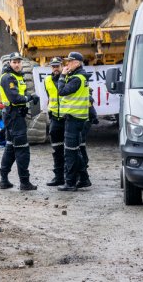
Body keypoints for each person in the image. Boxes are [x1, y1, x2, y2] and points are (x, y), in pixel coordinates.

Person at [0, 53, 37, 190]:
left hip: (13, 116)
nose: (17, 64)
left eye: (19, 62)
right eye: (14, 62)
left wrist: (29, 97)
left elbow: (19, 94)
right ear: (9, 63)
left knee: (11, 148)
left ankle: (4, 179)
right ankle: (24, 182)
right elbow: (15, 98)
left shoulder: (17, 76)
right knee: (22, 149)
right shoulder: (8, 77)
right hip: (14, 116)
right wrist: (29, 98)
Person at [55, 52, 92, 192]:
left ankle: (70, 183)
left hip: (74, 118)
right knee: (74, 151)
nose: (67, 64)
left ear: (77, 63)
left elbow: (62, 91)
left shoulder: (77, 78)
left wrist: (62, 76)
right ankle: (84, 179)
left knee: (70, 152)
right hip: (77, 118)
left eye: (70, 61)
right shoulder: (79, 76)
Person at [42, 56, 67, 186]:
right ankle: (58, 177)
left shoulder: (68, 79)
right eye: (53, 66)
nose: (55, 68)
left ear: (62, 66)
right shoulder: (47, 80)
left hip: (67, 118)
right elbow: (50, 97)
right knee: (56, 149)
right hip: (55, 119)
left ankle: (74, 177)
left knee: (71, 150)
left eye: (57, 66)